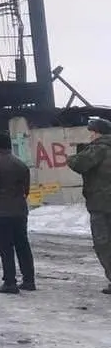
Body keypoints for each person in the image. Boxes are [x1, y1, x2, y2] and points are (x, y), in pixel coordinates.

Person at [0, 133, 34, 294]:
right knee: (22, 245)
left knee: (5, 247)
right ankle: (29, 280)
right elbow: (26, 189)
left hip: (2, 212)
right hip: (20, 211)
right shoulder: (21, 164)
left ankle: (10, 282)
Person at [67, 117, 111, 293]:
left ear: (97, 132)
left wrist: (71, 157)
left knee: (103, 243)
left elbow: (79, 164)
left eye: (92, 132)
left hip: (101, 204)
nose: (90, 135)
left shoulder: (99, 148)